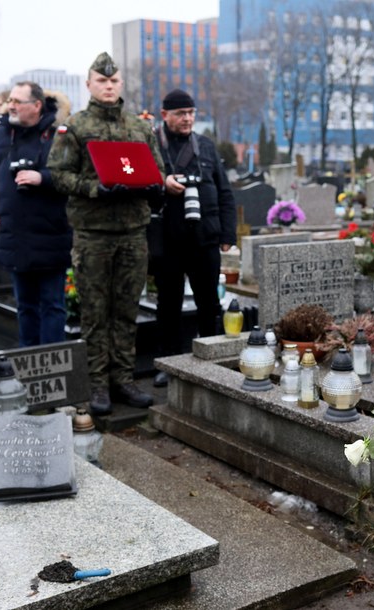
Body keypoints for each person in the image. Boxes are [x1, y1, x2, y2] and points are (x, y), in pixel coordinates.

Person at [47, 52, 165, 414]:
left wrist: (150, 185)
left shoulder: (140, 127)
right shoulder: (76, 127)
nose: (108, 86)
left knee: (127, 310)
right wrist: (96, 188)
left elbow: (158, 170)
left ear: (121, 85)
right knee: (96, 312)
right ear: (89, 85)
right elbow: (58, 174)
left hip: (132, 230)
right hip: (93, 233)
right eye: (102, 81)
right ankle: (97, 384)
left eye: (114, 81)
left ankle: (124, 379)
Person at [0, 81, 72, 347]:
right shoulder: (0, 136)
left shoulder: (58, 136)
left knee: (53, 306)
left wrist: (43, 178)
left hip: (51, 235)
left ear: (37, 105)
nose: (11, 106)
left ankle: (54, 364)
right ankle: (29, 364)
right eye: (11, 101)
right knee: (25, 306)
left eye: (18, 102)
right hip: (14, 236)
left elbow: (73, 177)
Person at [151, 89, 236, 388]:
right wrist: (162, 183)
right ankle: (169, 362)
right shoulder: (153, 146)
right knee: (169, 305)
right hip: (169, 239)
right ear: (165, 115)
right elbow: (142, 185)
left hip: (205, 236)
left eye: (191, 113)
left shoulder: (206, 146)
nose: (187, 119)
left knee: (209, 302)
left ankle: (210, 357)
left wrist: (228, 233)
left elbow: (224, 191)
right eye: (180, 114)